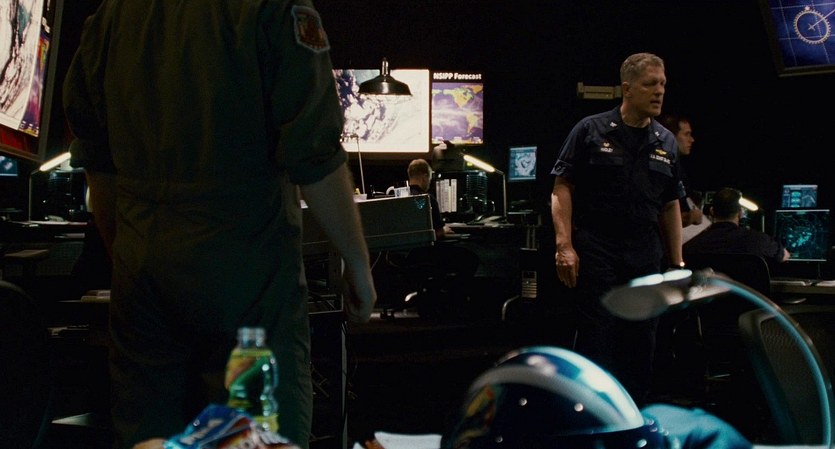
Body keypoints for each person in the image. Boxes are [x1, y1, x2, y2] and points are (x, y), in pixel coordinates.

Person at [62, 2, 377, 448]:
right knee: (255, 437)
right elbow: (315, 158)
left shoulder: (112, 16)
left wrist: (129, 259)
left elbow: (100, 168)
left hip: (144, 285)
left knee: (149, 434)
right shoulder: (276, 9)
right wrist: (358, 264)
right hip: (248, 286)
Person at [550, 52, 685, 404]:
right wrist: (564, 245)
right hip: (598, 250)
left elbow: (671, 204)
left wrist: (677, 263)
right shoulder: (590, 130)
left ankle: (635, 416)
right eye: (650, 84)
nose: (659, 91)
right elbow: (562, 187)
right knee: (598, 341)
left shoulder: (666, 141)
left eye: (663, 84)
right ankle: (593, 414)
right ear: (627, 89)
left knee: (642, 342)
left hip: (645, 255)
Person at [684, 187, 790, 269]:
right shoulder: (758, 240)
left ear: (712, 211)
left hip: (709, 292)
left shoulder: (691, 246)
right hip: (746, 292)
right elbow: (784, 256)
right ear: (740, 213)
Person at [407, 158, 453, 240]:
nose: (429, 183)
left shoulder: (400, 198)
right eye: (430, 179)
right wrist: (444, 230)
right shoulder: (428, 199)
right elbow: (438, 232)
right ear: (424, 178)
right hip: (424, 246)